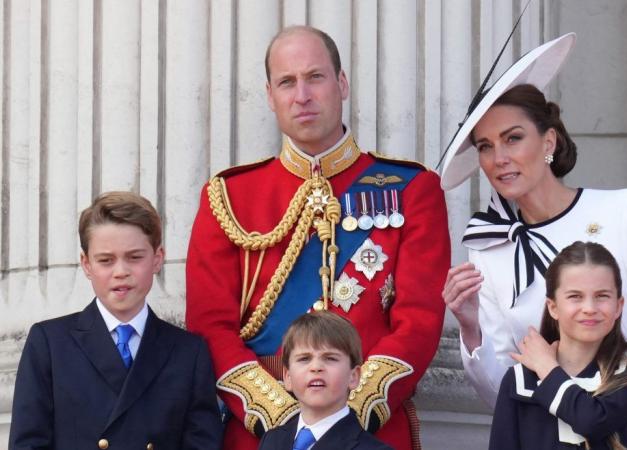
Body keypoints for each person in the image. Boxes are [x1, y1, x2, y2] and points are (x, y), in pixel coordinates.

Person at [186, 25, 450, 450]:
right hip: (261, 433)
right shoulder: (230, 196)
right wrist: (284, 418)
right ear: (270, 96)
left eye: (315, 77)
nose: (302, 95)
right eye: (287, 82)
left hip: (368, 432)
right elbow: (209, 325)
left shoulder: (411, 189)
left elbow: (419, 321)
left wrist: (342, 415)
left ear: (341, 84)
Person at [440, 33, 627, 449]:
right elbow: (503, 390)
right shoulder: (488, 246)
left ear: (548, 141)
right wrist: (470, 329)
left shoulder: (623, 211)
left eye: (513, 138)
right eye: (485, 146)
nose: (499, 158)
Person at [8, 192, 223, 450]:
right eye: (106, 260)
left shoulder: (189, 352)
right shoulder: (50, 343)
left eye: (134, 257)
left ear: (157, 258)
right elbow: (28, 444)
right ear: (86, 264)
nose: (121, 272)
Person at [489, 241, 627, 449]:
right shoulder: (520, 380)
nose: (589, 308)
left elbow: (592, 421)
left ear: (618, 306)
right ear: (553, 307)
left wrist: (548, 370)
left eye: (602, 296)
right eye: (575, 296)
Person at [258, 311, 393, 450]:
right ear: (288, 377)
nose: (316, 367)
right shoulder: (272, 440)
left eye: (330, 358)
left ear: (353, 376)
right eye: (304, 359)